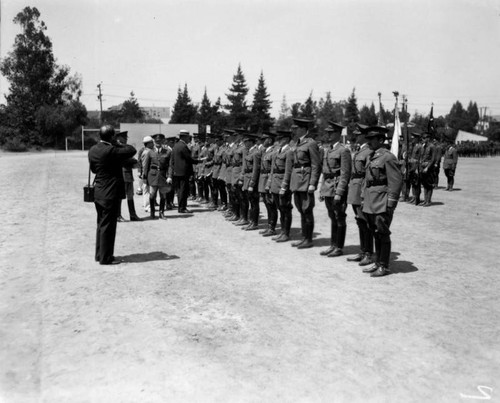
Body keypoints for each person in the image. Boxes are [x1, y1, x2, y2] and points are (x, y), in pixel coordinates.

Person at [88, 125, 136, 265]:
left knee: (101, 224)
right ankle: (106, 258)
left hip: (99, 191)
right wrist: (118, 143)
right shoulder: (111, 150)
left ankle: (99, 254)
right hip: (110, 192)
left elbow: (93, 169)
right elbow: (131, 150)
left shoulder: (93, 150)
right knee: (108, 226)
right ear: (112, 137)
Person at [361, 126, 403, 277]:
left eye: (371, 139)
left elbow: (396, 181)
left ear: (380, 140)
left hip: (382, 201)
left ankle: (384, 266)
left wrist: (391, 203)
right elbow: (367, 180)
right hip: (371, 200)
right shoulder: (372, 156)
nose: (368, 142)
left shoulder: (388, 157)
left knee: (382, 233)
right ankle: (378, 262)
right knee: (375, 233)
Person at [319, 122, 352, 257]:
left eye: (331, 133)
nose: (328, 135)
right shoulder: (328, 150)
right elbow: (325, 172)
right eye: (327, 132)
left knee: (339, 217)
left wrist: (339, 192)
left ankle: (339, 246)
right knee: (332, 217)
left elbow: (345, 173)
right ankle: (332, 244)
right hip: (328, 187)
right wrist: (322, 190)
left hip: (337, 188)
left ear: (338, 134)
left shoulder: (343, 150)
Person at [290, 118, 321, 249]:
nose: (293, 130)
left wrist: (313, 183)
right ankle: (304, 237)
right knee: (301, 210)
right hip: (297, 181)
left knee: (307, 210)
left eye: (296, 128)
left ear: (303, 129)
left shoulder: (311, 143)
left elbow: (316, 165)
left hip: (306, 181)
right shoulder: (297, 143)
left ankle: (308, 239)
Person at [346, 124, 374, 266]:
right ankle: (363, 251)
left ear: (364, 135)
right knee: (360, 222)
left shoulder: (369, 151)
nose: (356, 136)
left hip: (361, 190)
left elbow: (368, 174)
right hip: (355, 189)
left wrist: (363, 194)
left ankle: (368, 253)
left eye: (358, 134)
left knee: (366, 223)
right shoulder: (360, 150)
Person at [268, 129, 294, 242]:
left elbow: (288, 171)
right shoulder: (277, 151)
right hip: (275, 183)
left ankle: (286, 233)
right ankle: (282, 232)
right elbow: (273, 170)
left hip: (282, 184)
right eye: (278, 139)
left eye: (281, 139)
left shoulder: (289, 152)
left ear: (287, 139)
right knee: (280, 208)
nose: (279, 141)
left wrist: (284, 186)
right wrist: (270, 183)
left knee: (285, 209)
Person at [170, 129, 204, 213]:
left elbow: (172, 160)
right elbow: (189, 159)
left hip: (177, 172)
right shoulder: (183, 146)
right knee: (183, 190)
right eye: (188, 137)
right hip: (183, 172)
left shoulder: (176, 145)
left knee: (179, 190)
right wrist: (199, 161)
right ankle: (182, 208)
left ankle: (181, 207)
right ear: (184, 137)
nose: (189, 138)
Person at [143, 133, 173, 219]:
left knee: (163, 195)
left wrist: (170, 176)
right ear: (154, 141)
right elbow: (146, 165)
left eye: (160, 141)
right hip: (152, 175)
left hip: (163, 176)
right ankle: (152, 212)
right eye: (156, 141)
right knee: (152, 195)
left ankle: (161, 212)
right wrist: (145, 177)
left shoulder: (168, 151)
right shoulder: (150, 151)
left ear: (163, 141)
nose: (158, 142)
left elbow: (170, 165)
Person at [115, 131, 141, 222]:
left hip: (128, 175)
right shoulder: (117, 149)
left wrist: (131, 161)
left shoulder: (125, 148)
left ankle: (132, 215)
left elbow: (132, 160)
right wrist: (131, 161)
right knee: (120, 196)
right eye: (124, 138)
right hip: (121, 175)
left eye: (126, 138)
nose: (126, 139)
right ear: (118, 139)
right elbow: (126, 160)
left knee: (130, 196)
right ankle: (118, 215)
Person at [258, 131, 279, 237]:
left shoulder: (274, 152)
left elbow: (272, 169)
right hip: (263, 180)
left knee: (271, 205)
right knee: (267, 204)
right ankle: (269, 226)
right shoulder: (265, 152)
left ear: (270, 140)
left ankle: (272, 228)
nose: (262, 141)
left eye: (264, 139)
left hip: (269, 180)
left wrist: (269, 183)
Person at [241, 132, 262, 230]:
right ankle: (251, 221)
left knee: (254, 202)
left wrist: (252, 183)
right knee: (250, 201)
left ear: (251, 142)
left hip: (251, 180)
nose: (244, 143)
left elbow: (255, 169)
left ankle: (254, 223)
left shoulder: (256, 153)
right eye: (244, 141)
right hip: (246, 178)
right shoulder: (249, 152)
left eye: (246, 141)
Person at [418, 131, 438, 207]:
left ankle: (428, 201)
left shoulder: (432, 146)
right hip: (423, 167)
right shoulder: (424, 146)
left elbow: (433, 159)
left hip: (429, 168)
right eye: (422, 138)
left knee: (429, 185)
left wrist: (427, 167)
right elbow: (422, 157)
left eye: (424, 138)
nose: (422, 139)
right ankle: (425, 200)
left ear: (428, 138)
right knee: (425, 184)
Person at [138, 136, 154, 213]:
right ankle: (147, 206)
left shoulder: (149, 151)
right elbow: (145, 165)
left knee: (147, 190)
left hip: (149, 174)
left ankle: (147, 206)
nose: (153, 144)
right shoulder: (147, 152)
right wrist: (144, 175)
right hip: (147, 174)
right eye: (152, 142)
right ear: (148, 143)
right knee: (147, 191)